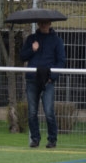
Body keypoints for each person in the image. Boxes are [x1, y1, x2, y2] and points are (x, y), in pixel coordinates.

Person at [20, 20, 66, 148]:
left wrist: (52, 77)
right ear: (38, 24)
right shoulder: (31, 39)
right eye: (41, 23)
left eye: (45, 23)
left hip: (48, 80)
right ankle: (35, 139)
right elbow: (22, 56)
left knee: (49, 111)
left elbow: (61, 61)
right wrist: (32, 49)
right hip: (32, 79)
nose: (43, 25)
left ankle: (52, 140)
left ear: (50, 24)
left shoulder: (57, 41)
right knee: (32, 112)